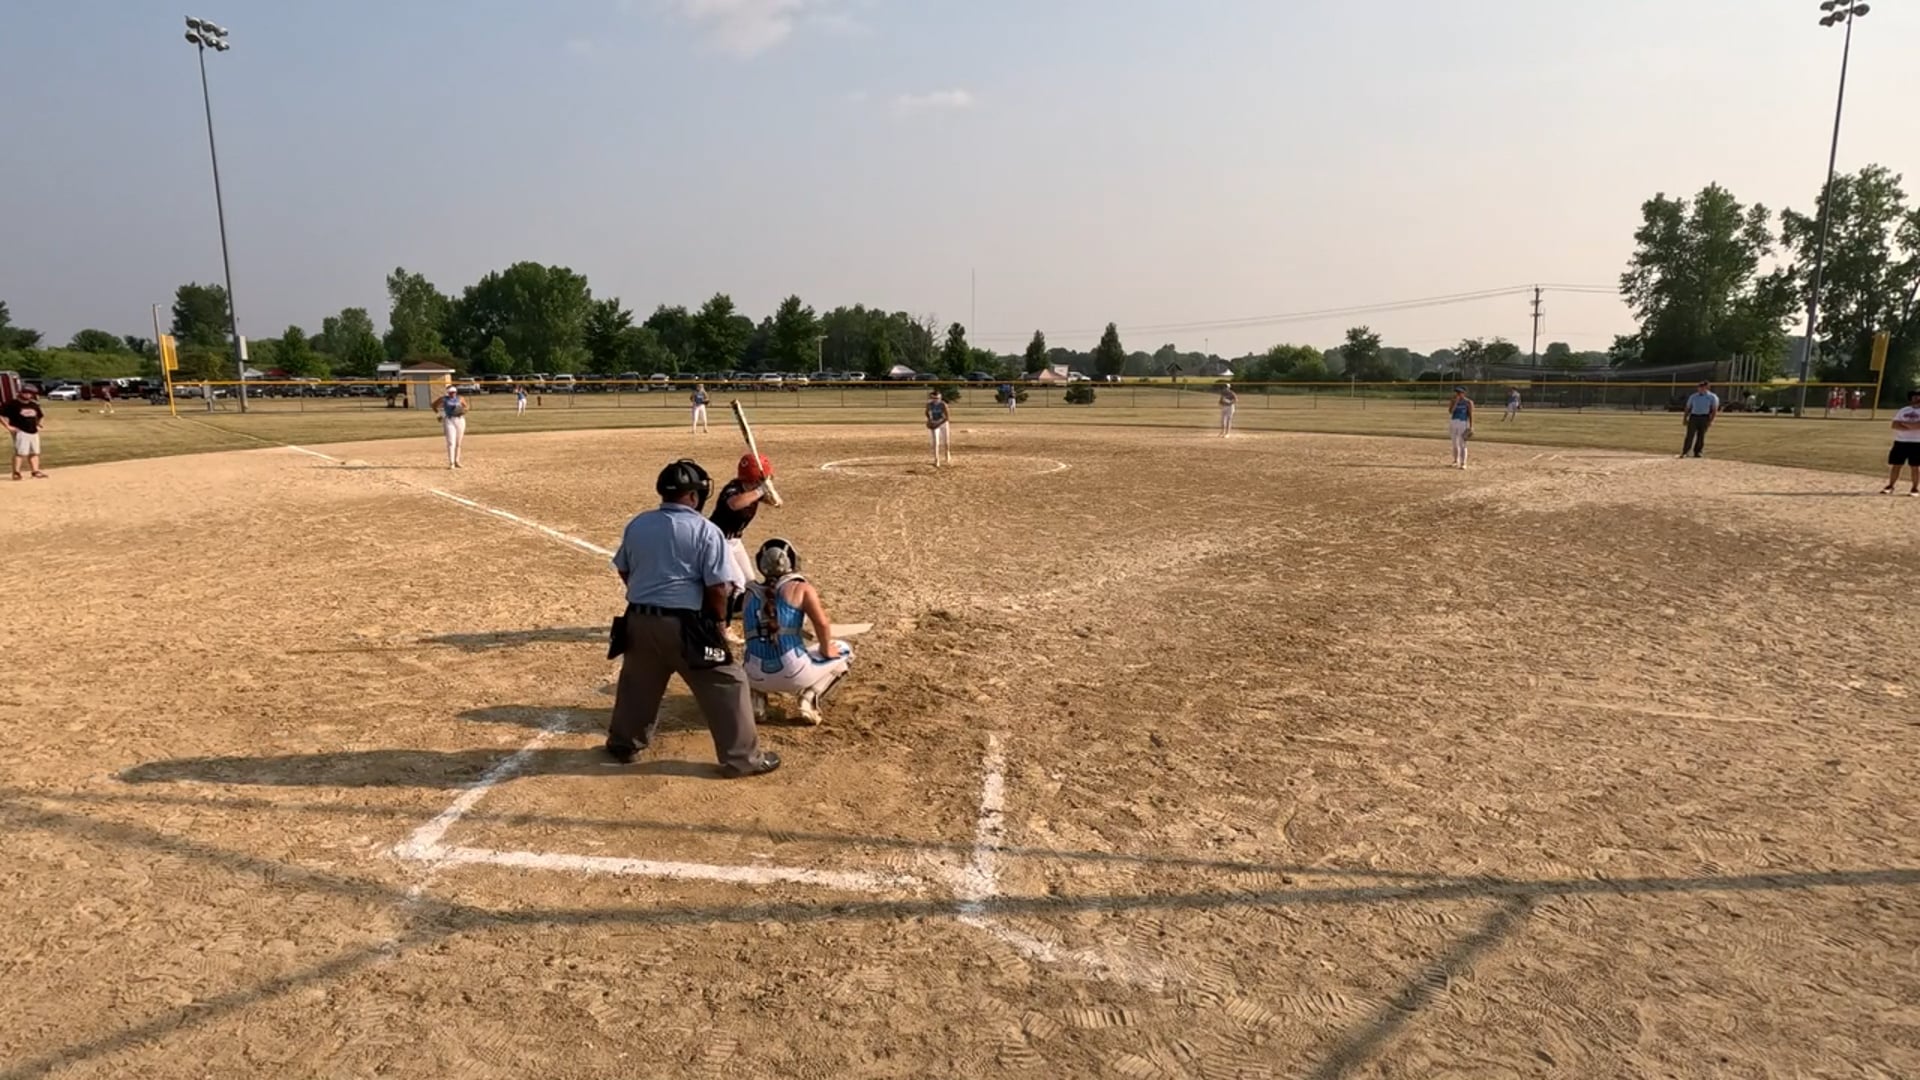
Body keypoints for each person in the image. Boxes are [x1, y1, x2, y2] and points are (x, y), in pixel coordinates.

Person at [605, 459, 780, 777]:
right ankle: (744, 759)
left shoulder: (638, 524)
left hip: (638, 621)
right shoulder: (706, 531)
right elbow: (718, 587)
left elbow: (623, 568)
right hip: (686, 625)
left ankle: (623, 744)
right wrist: (717, 624)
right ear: (693, 496)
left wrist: (645, 593)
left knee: (637, 683)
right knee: (729, 681)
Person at [742, 539, 853, 726]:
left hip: (754, 675)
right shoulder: (801, 588)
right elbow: (822, 624)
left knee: (751, 652)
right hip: (794, 673)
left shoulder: (748, 593)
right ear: (791, 562)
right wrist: (826, 650)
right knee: (844, 650)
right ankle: (809, 699)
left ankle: (757, 702)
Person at [712, 453, 778, 625]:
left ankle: (737, 610)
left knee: (750, 581)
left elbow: (772, 501)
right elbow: (735, 504)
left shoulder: (753, 490)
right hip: (719, 541)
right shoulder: (733, 489)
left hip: (735, 541)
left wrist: (771, 493)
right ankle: (724, 625)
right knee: (737, 583)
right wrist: (761, 490)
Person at [2, 386, 49, 480]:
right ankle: (16, 473)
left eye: (30, 393)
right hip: (20, 431)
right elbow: (1, 415)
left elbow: (40, 416)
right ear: (21, 392)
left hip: (33, 431)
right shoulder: (13, 404)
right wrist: (8, 426)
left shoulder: (33, 404)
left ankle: (35, 472)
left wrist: (39, 425)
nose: (28, 395)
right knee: (20, 453)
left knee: (35, 452)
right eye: (26, 392)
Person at [1882, 388, 1920, 496]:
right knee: (1896, 465)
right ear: (1910, 398)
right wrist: (1911, 426)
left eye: (1918, 396)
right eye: (1914, 396)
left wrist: (1904, 424)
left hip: (1917, 442)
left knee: (1915, 466)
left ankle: (1914, 488)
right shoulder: (1903, 410)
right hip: (1901, 441)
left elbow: (1918, 426)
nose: (1917, 398)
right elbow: (1894, 425)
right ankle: (1890, 486)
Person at [431, 384, 469, 469]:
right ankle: (451, 463)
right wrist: (439, 414)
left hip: (460, 420)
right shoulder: (443, 399)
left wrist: (463, 411)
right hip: (449, 420)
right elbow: (433, 405)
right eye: (451, 392)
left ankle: (457, 461)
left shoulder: (460, 398)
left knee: (458, 442)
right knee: (451, 442)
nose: (452, 394)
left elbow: (466, 407)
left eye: (454, 392)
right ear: (448, 392)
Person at [1680, 379, 1719, 459]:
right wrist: (1685, 418)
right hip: (1694, 416)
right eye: (1699, 387)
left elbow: (1714, 409)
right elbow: (1688, 407)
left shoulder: (1712, 397)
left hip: (1704, 417)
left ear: (1707, 387)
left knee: (1701, 435)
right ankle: (1685, 451)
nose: (1700, 388)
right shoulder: (1693, 396)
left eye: (1702, 387)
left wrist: (1711, 420)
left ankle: (1698, 452)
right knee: (1690, 435)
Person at [1447, 385, 1474, 469]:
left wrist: (1471, 426)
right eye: (1457, 392)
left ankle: (1463, 463)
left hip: (1463, 423)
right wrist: (1456, 402)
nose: (1458, 394)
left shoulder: (1468, 402)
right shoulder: (1453, 401)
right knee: (1454, 443)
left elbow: (1470, 414)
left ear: (1464, 393)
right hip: (1453, 422)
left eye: (1459, 392)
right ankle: (1455, 461)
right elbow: (1451, 411)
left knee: (1462, 444)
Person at [925, 388, 953, 467]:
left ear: (940, 398)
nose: (935, 400)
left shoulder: (943, 404)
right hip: (935, 422)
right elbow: (926, 412)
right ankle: (936, 459)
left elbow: (947, 417)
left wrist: (938, 423)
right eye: (933, 398)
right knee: (935, 442)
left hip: (943, 422)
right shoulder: (929, 404)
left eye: (937, 398)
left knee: (946, 441)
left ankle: (947, 453)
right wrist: (930, 420)